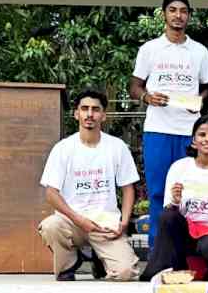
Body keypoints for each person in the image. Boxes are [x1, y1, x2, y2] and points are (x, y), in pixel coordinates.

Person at [129, 0, 208, 247]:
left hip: (189, 130)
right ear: (164, 14)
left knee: (191, 191)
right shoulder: (150, 49)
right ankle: (157, 250)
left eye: (183, 11)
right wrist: (147, 97)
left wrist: (200, 100)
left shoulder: (199, 51)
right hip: (158, 130)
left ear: (189, 16)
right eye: (173, 10)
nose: (178, 15)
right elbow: (134, 86)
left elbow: (207, 87)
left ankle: (188, 252)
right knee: (158, 192)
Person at [38, 90, 139, 281]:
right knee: (51, 225)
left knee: (126, 273)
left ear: (103, 115)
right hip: (72, 222)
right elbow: (51, 193)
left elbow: (128, 188)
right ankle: (68, 265)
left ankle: (99, 260)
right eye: (84, 109)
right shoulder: (63, 149)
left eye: (95, 109)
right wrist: (78, 219)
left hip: (105, 224)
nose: (90, 114)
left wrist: (123, 222)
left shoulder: (117, 147)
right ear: (76, 114)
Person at [140, 116, 208, 281]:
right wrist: (174, 200)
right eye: (202, 135)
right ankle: (159, 273)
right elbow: (169, 213)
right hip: (186, 230)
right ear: (194, 140)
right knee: (167, 216)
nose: (207, 139)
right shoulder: (179, 167)